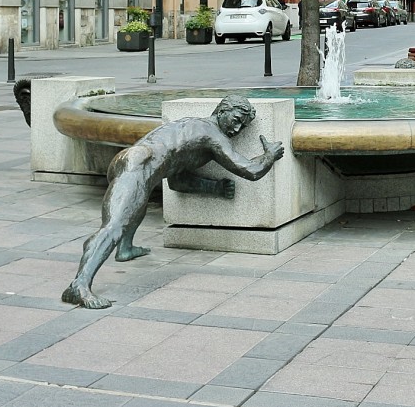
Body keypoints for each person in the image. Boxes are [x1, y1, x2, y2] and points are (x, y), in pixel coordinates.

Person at [61, 95, 285, 309]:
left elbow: (177, 181)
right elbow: (250, 170)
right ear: (222, 111)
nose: (237, 130)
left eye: (243, 127)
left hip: (134, 161)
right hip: (137, 163)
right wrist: (269, 156)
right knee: (113, 226)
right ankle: (79, 285)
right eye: (236, 120)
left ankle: (125, 249)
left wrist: (215, 188)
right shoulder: (212, 134)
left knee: (136, 204)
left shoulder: (193, 129)